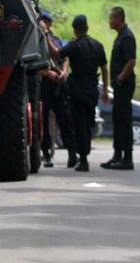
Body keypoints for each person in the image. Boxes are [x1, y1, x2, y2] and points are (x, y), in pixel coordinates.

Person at [46, 14, 109, 172]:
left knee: (79, 124)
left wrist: (45, 34)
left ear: (75, 31)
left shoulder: (74, 46)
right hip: (92, 91)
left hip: (77, 92)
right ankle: (84, 155)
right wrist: (106, 90)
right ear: (87, 28)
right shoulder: (98, 45)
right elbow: (104, 69)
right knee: (88, 124)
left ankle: (83, 159)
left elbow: (55, 53)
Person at [38, 11, 77, 168]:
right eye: (41, 22)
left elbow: (64, 57)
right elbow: (29, 66)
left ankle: (72, 155)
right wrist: (48, 73)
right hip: (43, 85)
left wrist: (63, 72)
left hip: (58, 86)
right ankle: (46, 155)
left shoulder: (55, 40)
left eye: (45, 22)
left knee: (65, 120)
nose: (43, 24)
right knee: (44, 121)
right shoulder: (34, 41)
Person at [102, 7, 137, 170]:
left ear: (118, 19)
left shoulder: (127, 37)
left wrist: (120, 79)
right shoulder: (120, 37)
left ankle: (127, 159)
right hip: (119, 85)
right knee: (117, 119)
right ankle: (117, 156)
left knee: (123, 120)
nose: (109, 21)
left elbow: (131, 61)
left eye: (111, 18)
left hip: (124, 84)